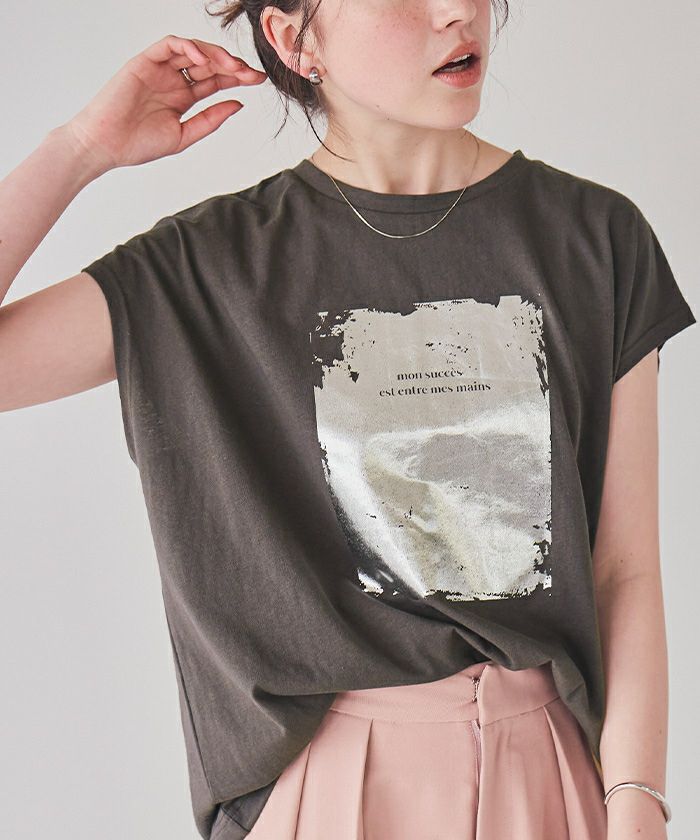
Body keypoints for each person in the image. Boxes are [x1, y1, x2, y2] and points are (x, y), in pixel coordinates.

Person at [0, 2, 694, 839]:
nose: (457, 11)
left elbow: (624, 570)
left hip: (552, 775)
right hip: (331, 791)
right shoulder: (206, 269)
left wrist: (637, 800)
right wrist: (81, 148)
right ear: (294, 38)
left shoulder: (595, 238)